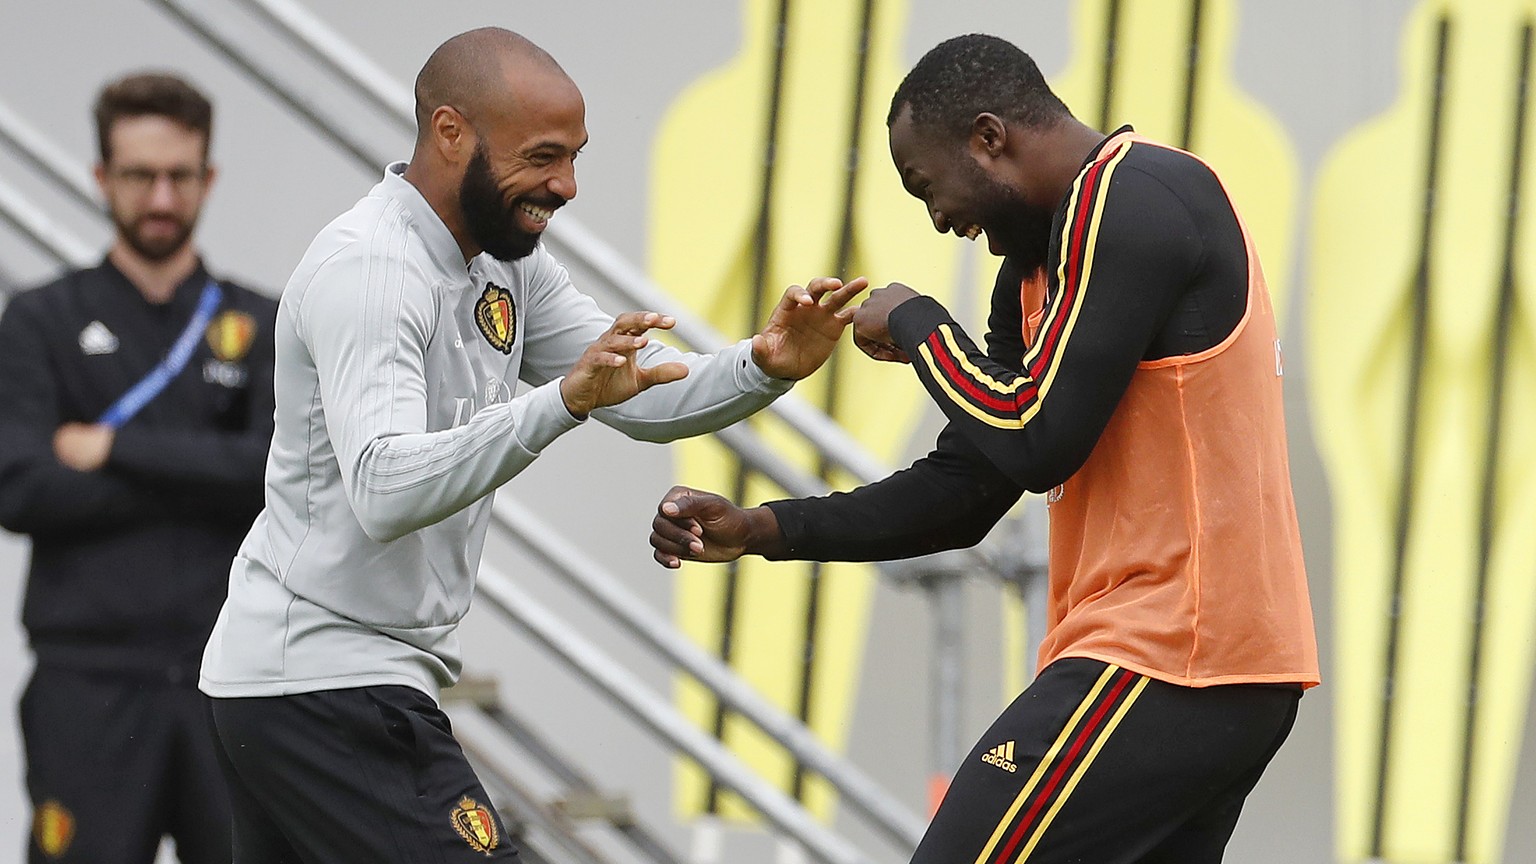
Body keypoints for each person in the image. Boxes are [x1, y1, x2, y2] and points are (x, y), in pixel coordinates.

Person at [197, 26, 865, 862]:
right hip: (324, 681)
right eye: (544, 157)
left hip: (308, 683)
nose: (567, 185)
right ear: (450, 133)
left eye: (576, 156)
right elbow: (384, 490)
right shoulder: (373, 271)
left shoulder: (500, 259)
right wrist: (557, 404)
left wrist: (762, 365)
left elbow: (636, 386)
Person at [650, 33, 1320, 864]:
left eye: (926, 186)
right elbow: (970, 487)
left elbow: (1038, 440)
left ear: (989, 136)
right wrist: (763, 529)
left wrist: (918, 323)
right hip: (1205, 671)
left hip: (1169, 656)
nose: (938, 220)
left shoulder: (1138, 194)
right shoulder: (1042, 262)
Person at [0, 72, 276, 864]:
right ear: (100, 178)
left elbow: (275, 478)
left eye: (179, 176)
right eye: (138, 176)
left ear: (208, 179)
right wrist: (205, 473)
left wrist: (114, 448)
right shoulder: (39, 320)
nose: (160, 197)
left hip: (228, 681)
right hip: (87, 682)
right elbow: (21, 488)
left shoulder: (258, 322)